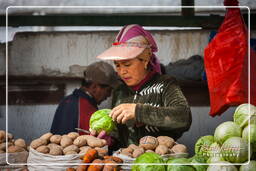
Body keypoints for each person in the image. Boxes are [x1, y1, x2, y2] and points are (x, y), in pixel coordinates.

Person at [96, 24, 192, 148]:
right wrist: (107, 138)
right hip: (128, 161)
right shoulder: (120, 91)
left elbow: (183, 117)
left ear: (145, 60)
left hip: (159, 160)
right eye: (117, 65)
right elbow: (118, 134)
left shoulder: (165, 84)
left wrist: (138, 111)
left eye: (127, 64)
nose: (122, 71)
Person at [50, 61, 118, 135]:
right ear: (94, 87)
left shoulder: (67, 100)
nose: (109, 95)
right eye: (108, 90)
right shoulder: (86, 108)